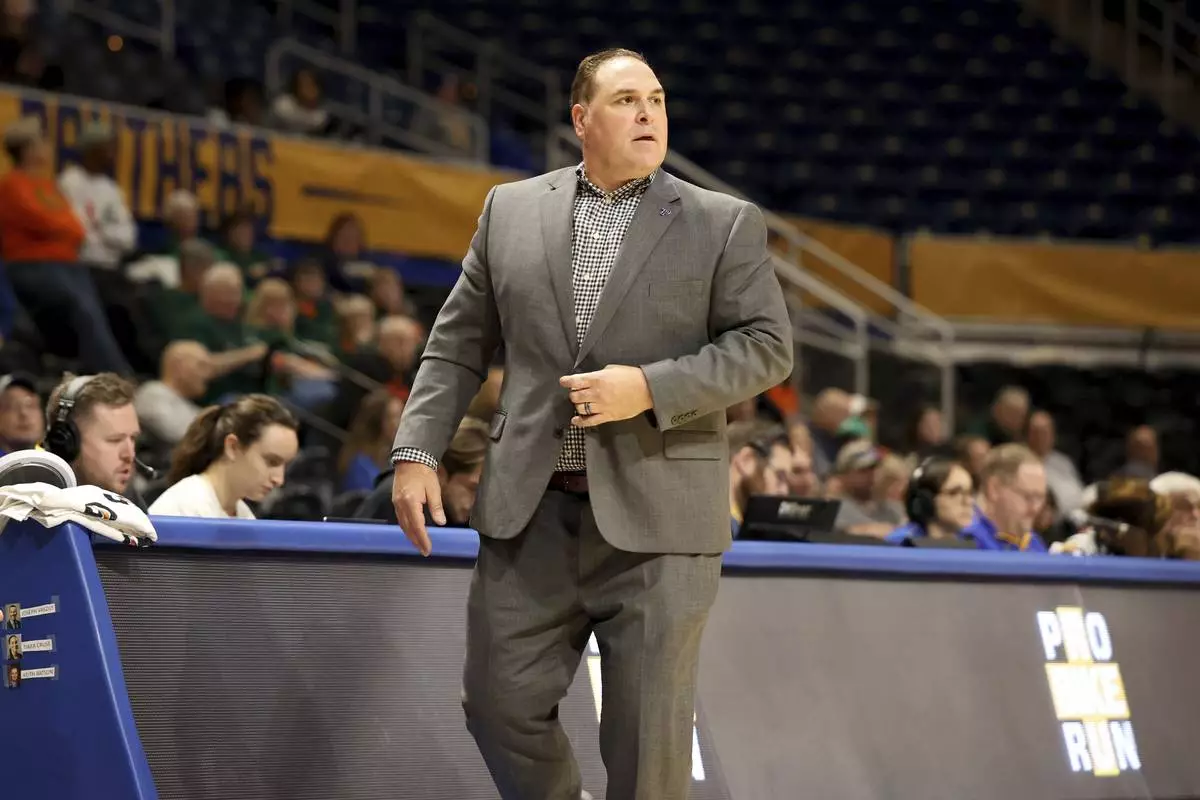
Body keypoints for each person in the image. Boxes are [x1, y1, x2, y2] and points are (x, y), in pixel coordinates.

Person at [389, 48, 792, 800]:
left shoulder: (722, 222)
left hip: (659, 521)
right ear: (582, 119)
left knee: (647, 748)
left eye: (658, 100)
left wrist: (649, 386)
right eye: (627, 100)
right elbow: (455, 345)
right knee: (498, 706)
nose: (648, 114)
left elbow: (767, 349)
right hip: (530, 511)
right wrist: (417, 450)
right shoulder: (508, 210)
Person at [149, 395, 299, 519]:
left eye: (285, 465)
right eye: (271, 461)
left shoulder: (245, 516)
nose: (279, 480)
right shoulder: (180, 509)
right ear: (233, 447)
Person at [42, 373, 148, 510]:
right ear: (65, 442)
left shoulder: (130, 501)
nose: (130, 455)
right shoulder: (31, 506)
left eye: (133, 438)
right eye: (114, 440)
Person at [962, 443, 1049, 552]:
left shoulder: (1033, 542)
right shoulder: (966, 541)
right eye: (1028, 497)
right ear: (994, 489)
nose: (1035, 508)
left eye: (1040, 498)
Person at [885, 458, 977, 544]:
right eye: (954, 493)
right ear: (926, 500)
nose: (968, 502)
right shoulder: (901, 544)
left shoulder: (976, 543)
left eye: (970, 493)